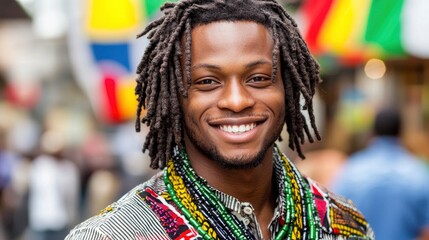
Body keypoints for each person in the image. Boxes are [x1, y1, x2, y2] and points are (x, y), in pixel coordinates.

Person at [66, 0, 374, 239]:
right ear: (175, 96)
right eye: (207, 82)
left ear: (288, 88)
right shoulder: (114, 235)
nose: (237, 101)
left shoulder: (343, 225)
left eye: (258, 78)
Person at [332, 108, 429, 240]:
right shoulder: (418, 173)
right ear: (400, 132)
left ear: (373, 132)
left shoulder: (351, 170)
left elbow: (333, 219)